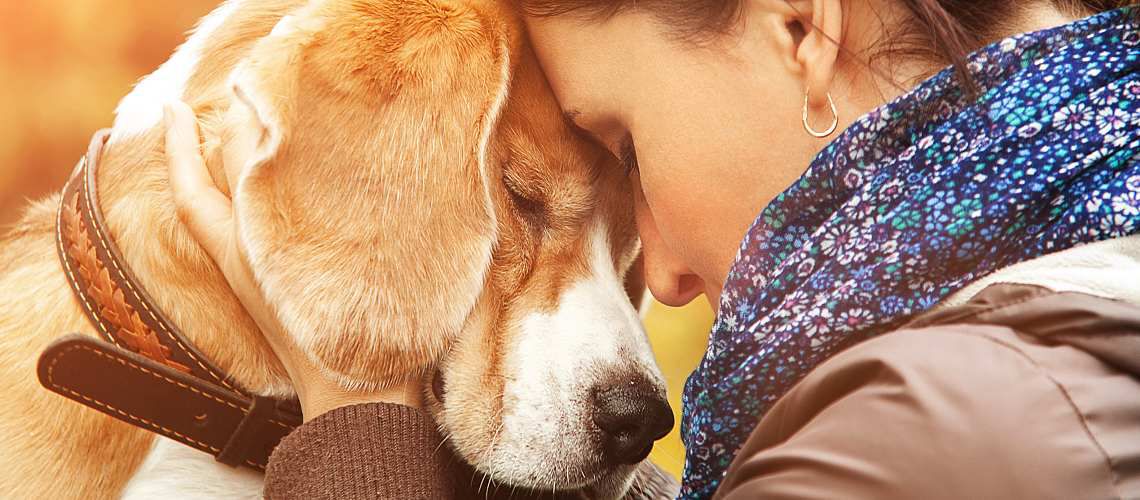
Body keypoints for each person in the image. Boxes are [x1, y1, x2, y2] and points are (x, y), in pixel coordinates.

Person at [164, 1, 1140, 498]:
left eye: (628, 146)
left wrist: (357, 421)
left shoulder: (934, 431)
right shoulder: (1074, 302)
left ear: (804, 24)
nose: (663, 282)